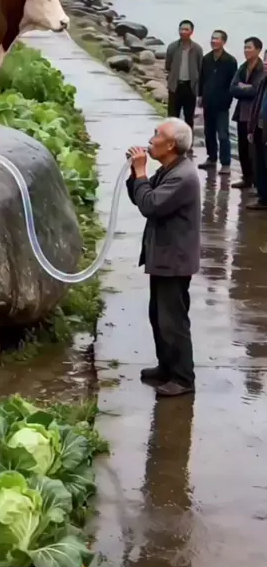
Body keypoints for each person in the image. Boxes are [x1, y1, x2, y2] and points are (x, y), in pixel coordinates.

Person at [126, 117, 200, 398]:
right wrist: (135, 174)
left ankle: (183, 378)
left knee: (173, 321)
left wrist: (141, 172)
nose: (151, 139)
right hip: (163, 256)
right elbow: (140, 195)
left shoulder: (183, 176)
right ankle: (166, 367)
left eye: (157, 134)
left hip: (174, 260)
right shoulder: (169, 169)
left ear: (170, 145)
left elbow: (151, 205)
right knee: (158, 315)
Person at [197, 30, 237, 176]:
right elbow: (202, 78)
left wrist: (228, 100)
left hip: (222, 105)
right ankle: (211, 158)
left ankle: (225, 163)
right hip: (208, 102)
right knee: (209, 133)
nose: (213, 41)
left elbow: (233, 83)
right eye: (212, 38)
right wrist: (200, 95)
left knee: (223, 135)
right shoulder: (206, 59)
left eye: (217, 39)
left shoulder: (230, 61)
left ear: (223, 42)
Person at [230, 36, 265, 190]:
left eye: (249, 47)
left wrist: (243, 87)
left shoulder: (261, 69)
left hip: (255, 114)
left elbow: (257, 91)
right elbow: (232, 88)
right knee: (242, 147)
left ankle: (257, 182)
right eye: (245, 47)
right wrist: (245, 87)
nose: (246, 50)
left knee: (254, 150)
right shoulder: (243, 67)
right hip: (242, 113)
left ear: (258, 50)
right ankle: (246, 178)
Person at [165, 20, 203, 137]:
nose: (183, 32)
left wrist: (199, 88)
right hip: (175, 87)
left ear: (191, 32)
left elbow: (200, 67)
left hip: (190, 87)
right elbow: (168, 65)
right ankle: (171, 140)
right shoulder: (172, 47)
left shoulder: (197, 49)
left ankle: (187, 141)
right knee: (172, 117)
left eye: (186, 29)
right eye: (181, 29)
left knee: (189, 117)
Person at [247, 62, 267, 210]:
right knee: (260, 164)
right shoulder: (263, 81)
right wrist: (251, 129)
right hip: (259, 128)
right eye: (265, 59)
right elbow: (256, 105)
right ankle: (263, 197)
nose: (265, 63)